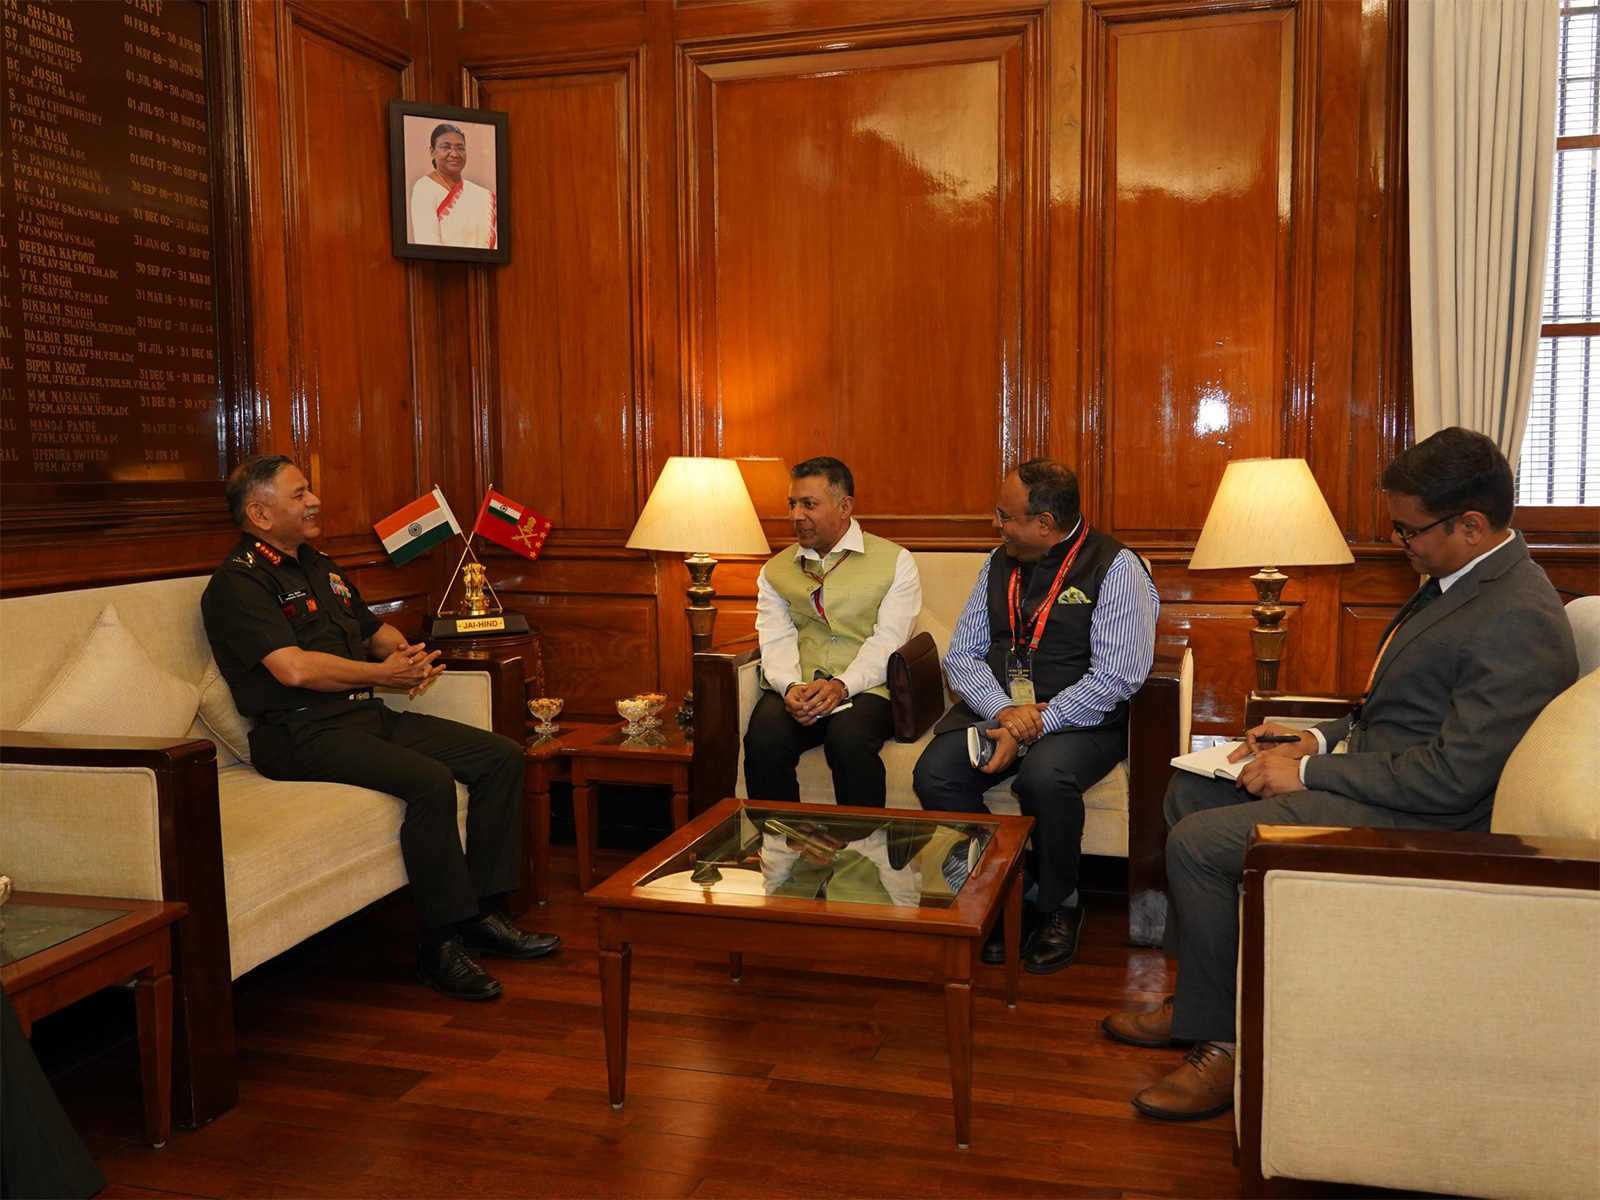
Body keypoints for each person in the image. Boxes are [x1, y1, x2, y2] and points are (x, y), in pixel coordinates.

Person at [1102, 427, 1579, 1121]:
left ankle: (1225, 1047)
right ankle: (1202, 996)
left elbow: (1453, 778)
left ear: (1471, 526)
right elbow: (1394, 711)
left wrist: (1312, 772)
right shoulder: (1460, 580)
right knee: (1191, 787)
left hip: (1427, 820)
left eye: (1407, 530)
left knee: (1201, 845)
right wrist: (1312, 737)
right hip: (1393, 777)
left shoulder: (1516, 616)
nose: (1397, 542)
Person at [201, 455, 559, 1002]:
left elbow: (372, 630)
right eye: (299, 495)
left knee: (502, 756)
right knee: (430, 781)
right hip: (298, 735)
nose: (314, 500)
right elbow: (292, 668)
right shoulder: (237, 583)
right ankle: (438, 948)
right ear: (261, 513)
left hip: (362, 717)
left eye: (309, 491)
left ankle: (484, 918)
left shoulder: (318, 564)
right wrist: (380, 674)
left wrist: (406, 655)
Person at [913, 459, 1159, 974]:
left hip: (1082, 717)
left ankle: (1059, 905)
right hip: (999, 708)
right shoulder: (996, 563)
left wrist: (1036, 723)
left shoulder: (1116, 568)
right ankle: (1007, 889)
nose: (996, 524)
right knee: (935, 773)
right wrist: (1005, 712)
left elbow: (1118, 676)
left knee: (1045, 778)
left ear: (1044, 523)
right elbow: (962, 656)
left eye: (1004, 516)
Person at [743, 457, 921, 808]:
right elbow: (775, 639)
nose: (796, 516)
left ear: (845, 507)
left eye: (809, 504)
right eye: (792, 504)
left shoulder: (896, 561)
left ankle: (863, 855)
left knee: (848, 739)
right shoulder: (774, 570)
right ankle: (782, 851)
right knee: (764, 737)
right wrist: (790, 686)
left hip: (870, 687)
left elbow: (889, 640)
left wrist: (842, 685)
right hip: (799, 684)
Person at [409, 123, 496, 249]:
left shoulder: (482, 195)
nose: (454, 154)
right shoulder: (424, 188)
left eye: (460, 148)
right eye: (446, 147)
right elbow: (428, 244)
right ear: (432, 151)